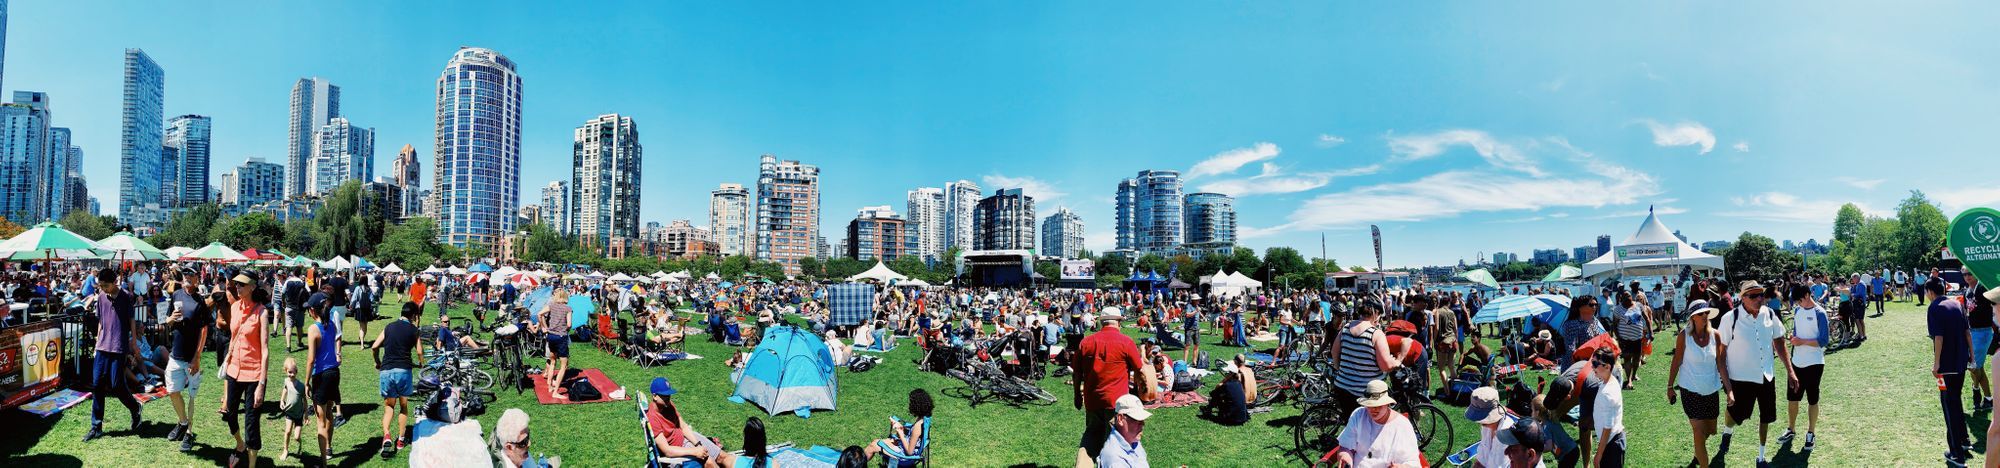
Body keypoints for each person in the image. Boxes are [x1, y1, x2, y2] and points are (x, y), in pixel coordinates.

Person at [1716, 281, 1796, 468]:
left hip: (1766, 375)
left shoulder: (1769, 314)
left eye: (1761, 294)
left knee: (1766, 416)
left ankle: (1761, 457)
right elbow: (1720, 356)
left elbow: (1780, 343)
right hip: (1740, 378)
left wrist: (1790, 371)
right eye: (1753, 296)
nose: (1759, 299)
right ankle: (1727, 431)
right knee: (1736, 416)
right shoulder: (1730, 318)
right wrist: (1728, 388)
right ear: (1742, 298)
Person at [1071, 306, 1154, 467]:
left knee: (1090, 438)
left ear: (1102, 323)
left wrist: (1076, 396)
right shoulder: (1126, 342)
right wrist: (1144, 390)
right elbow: (1140, 370)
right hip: (1116, 403)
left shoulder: (1086, 342)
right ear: (1117, 322)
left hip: (1092, 400)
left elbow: (1076, 373)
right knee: (1115, 445)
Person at [83, 268, 143, 443]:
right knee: (97, 384)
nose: (102, 288)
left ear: (115, 282)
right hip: (102, 345)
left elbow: (132, 320)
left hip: (118, 345)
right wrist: (96, 344)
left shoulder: (126, 297)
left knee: (117, 384)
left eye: (105, 285)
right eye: (100, 285)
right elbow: (101, 321)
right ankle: (96, 426)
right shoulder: (101, 297)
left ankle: (135, 408)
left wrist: (133, 343)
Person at [219, 272, 270, 468]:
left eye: (242, 284)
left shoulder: (262, 312)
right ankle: (240, 444)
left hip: (254, 374)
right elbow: (234, 336)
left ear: (252, 287)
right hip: (234, 370)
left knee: (251, 421)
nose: (237, 287)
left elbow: (265, 351)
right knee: (230, 413)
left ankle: (252, 464)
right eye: (236, 284)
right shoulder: (234, 307)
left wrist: (261, 385)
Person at [1667, 307, 1725, 468]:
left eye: (1706, 313)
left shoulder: (1716, 335)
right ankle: (1703, 461)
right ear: (1692, 317)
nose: (1705, 316)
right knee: (1698, 432)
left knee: (1711, 430)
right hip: (1690, 389)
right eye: (1700, 313)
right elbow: (1676, 360)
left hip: (1711, 389)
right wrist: (1670, 386)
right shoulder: (1683, 336)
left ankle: (1697, 451)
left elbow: (1720, 363)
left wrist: (1729, 389)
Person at [162, 277, 213, 452]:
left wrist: (197, 357)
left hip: (192, 358)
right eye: (185, 276)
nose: (187, 279)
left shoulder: (200, 301)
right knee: (172, 391)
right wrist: (171, 319)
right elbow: (167, 320)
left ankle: (189, 433)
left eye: (191, 276)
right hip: (176, 355)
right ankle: (183, 422)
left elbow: (205, 329)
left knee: (191, 396)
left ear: (197, 279)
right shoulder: (176, 294)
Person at [1927, 278, 1974, 465]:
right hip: (1961, 362)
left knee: (1949, 405)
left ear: (1930, 291)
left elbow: (1938, 337)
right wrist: (1972, 355)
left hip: (1947, 366)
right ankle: (1964, 441)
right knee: (1956, 400)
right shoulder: (1957, 304)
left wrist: (1936, 363)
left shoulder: (1934, 308)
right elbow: (1967, 332)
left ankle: (1956, 454)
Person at [1779, 285, 1829, 452]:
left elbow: (1823, 340)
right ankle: (1791, 429)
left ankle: (1811, 433)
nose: (1798, 304)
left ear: (1807, 295)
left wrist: (1803, 342)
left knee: (1812, 399)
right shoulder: (1798, 311)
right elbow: (1797, 333)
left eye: (1799, 300)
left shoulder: (1820, 313)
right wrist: (1793, 339)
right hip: (1797, 362)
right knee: (1792, 398)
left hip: (1814, 363)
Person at [1331, 300, 1401, 418]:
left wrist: (1340, 369)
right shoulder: (1376, 334)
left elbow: (1334, 352)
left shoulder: (1346, 328)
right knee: (1369, 426)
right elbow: (1386, 366)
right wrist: (1397, 361)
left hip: (1342, 386)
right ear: (1375, 314)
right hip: (1367, 392)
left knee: (1352, 424)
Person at [371, 301, 423, 458]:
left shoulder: (389, 327)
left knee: (389, 407)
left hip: (387, 370)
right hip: (403, 371)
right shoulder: (414, 330)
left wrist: (377, 362)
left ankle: (387, 435)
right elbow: (419, 351)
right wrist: (421, 363)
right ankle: (400, 440)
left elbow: (374, 346)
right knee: (403, 406)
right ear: (414, 315)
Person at [1332, 379, 1422, 468]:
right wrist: (1345, 455)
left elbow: (1413, 462)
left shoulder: (1402, 425)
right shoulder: (1359, 415)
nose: (1373, 409)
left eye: (1378, 405)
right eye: (1370, 405)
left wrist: (1402, 467)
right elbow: (1346, 446)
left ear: (1387, 404)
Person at [647, 377, 722, 467]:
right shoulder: (652, 418)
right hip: (678, 448)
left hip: (685, 438)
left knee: (722, 456)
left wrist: (697, 444)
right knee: (710, 463)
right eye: (664, 395)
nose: (668, 398)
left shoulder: (668, 405)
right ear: (654, 396)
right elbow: (667, 451)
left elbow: (683, 426)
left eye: (669, 394)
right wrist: (695, 451)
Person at [302, 298, 341, 464]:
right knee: (329, 413)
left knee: (321, 420)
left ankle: (324, 462)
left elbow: (311, 359)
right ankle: (329, 447)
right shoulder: (331, 324)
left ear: (312, 310)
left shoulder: (313, 329)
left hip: (321, 375)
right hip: (334, 372)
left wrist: (306, 382)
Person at [862, 389, 933, 461]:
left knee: (873, 446)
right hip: (905, 445)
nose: (910, 405)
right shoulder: (923, 418)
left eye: (911, 403)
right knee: (875, 441)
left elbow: (909, 452)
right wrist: (902, 428)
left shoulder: (918, 426)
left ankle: (858, 464)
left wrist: (901, 433)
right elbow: (914, 436)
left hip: (905, 456)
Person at [1589, 348, 1627, 468]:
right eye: (1592, 363)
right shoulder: (1609, 381)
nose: (1592, 367)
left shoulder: (1607, 393)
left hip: (1611, 445)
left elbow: (1608, 427)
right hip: (1612, 442)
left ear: (1608, 367)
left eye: (1595, 364)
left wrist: (1598, 455)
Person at [1463, 386, 1515, 468]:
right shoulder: (1487, 426)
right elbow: (1482, 458)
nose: (1481, 423)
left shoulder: (1506, 431)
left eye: (1482, 418)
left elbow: (1498, 465)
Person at [1097, 394, 1151, 468]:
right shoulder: (1115, 460)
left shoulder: (1132, 440)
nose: (1142, 424)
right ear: (1120, 419)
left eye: (1142, 420)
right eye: (1137, 420)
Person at [539, 289, 576, 398]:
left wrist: (544, 327)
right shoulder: (568, 308)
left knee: (552, 361)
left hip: (551, 336)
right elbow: (569, 324)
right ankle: (555, 392)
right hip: (561, 337)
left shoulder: (551, 305)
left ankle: (550, 385)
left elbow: (539, 314)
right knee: (564, 365)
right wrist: (566, 328)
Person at [1612, 292, 1653, 390]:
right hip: (1624, 339)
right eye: (1625, 297)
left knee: (1636, 358)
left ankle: (1634, 375)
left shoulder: (1638, 305)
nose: (1628, 298)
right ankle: (1629, 380)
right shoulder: (1618, 310)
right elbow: (1614, 325)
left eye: (1629, 296)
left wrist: (1651, 332)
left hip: (1638, 338)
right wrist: (1619, 338)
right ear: (1622, 299)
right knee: (1627, 359)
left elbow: (1647, 319)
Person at [492, 408, 558, 468]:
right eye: (524, 441)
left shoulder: (521, 454)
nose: (529, 443)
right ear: (509, 447)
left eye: (528, 436)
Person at [1562, 296, 1607, 368]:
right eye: (1591, 305)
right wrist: (1577, 367)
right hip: (1576, 364)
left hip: (1592, 362)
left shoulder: (1594, 320)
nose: (1594, 307)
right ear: (1580, 307)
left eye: (1596, 305)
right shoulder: (1572, 324)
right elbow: (1571, 349)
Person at [277, 357, 307, 461]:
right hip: (289, 412)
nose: (291, 375)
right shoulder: (286, 381)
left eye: (293, 372)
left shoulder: (301, 386)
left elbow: (305, 400)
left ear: (296, 372)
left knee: (296, 437)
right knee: (288, 431)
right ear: (286, 371)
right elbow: (285, 389)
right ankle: (285, 450)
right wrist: (282, 400)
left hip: (299, 414)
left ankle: (299, 442)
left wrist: (306, 414)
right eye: (289, 372)